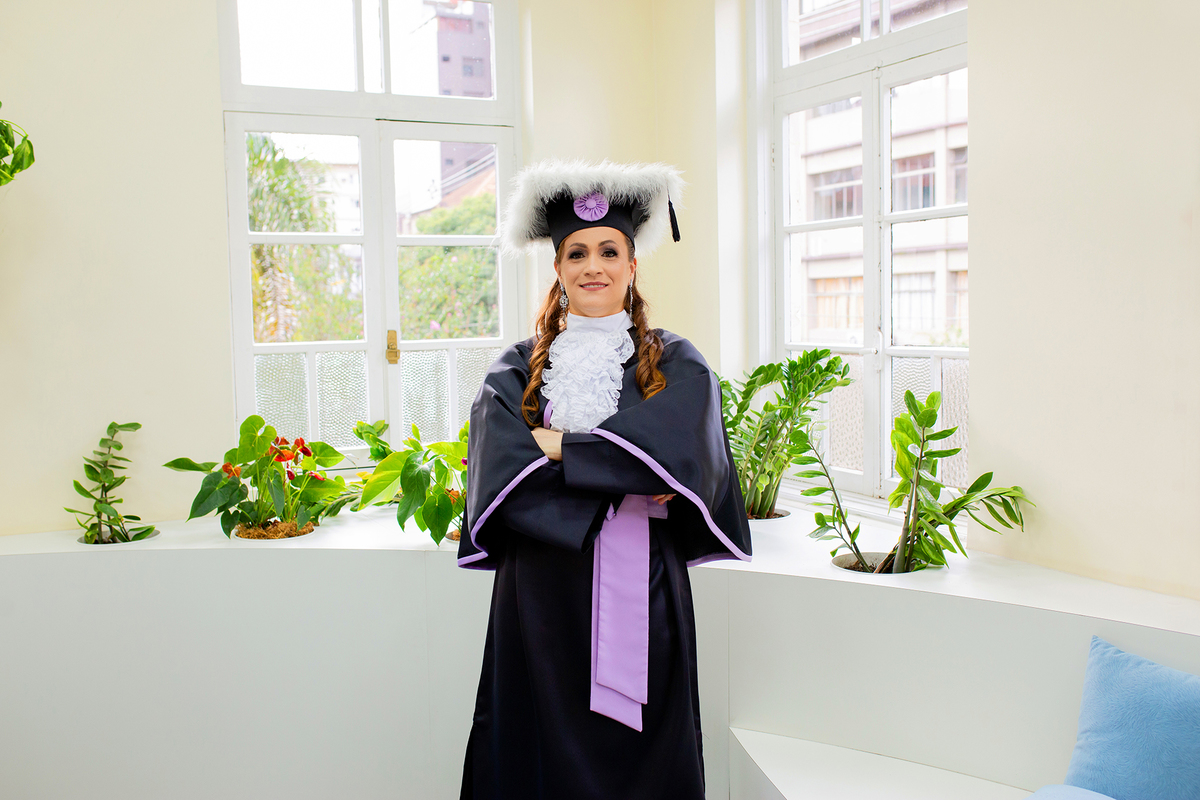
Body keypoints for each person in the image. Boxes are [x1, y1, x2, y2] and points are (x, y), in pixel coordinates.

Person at [457, 159, 752, 800]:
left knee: (641, 752)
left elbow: (685, 459)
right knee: (536, 748)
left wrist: (561, 446)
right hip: (538, 593)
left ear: (632, 265)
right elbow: (502, 472)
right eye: (578, 252)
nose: (595, 266)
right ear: (558, 268)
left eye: (610, 251)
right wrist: (625, 472)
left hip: (644, 587)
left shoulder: (676, 363)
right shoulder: (515, 368)